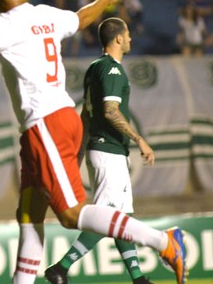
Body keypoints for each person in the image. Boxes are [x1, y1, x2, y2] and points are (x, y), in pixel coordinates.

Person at [0, 0, 187, 284]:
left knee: (71, 214)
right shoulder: (45, 14)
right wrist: (103, 0)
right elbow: (82, 18)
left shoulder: (6, 23)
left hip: (45, 124)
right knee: (29, 214)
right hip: (57, 120)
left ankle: (163, 241)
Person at [44, 17, 154, 284]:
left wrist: (80, 150)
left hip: (101, 149)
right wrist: (139, 139)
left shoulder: (94, 67)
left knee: (121, 217)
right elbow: (110, 110)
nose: (129, 39)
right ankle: (61, 267)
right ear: (118, 38)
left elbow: (85, 114)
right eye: (127, 35)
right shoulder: (113, 71)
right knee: (107, 217)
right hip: (109, 151)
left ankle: (137, 278)